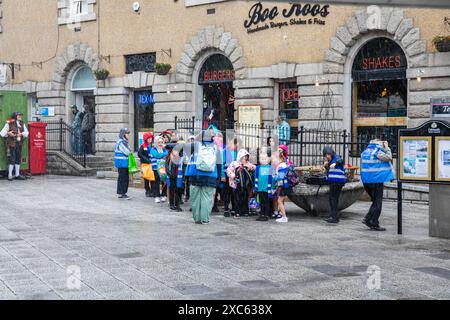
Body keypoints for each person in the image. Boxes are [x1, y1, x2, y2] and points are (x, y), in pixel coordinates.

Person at [186, 130, 219, 224]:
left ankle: (197, 218)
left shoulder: (195, 145)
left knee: (195, 198)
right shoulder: (216, 148)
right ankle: (205, 219)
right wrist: (218, 177)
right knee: (207, 198)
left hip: (195, 175)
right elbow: (219, 164)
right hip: (210, 176)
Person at [361, 139, 394, 231]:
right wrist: (387, 147)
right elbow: (389, 157)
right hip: (376, 180)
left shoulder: (365, 152)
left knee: (375, 201)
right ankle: (372, 222)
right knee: (378, 202)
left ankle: (369, 219)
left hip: (366, 181)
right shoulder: (377, 151)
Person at [0, 112, 29, 181]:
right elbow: (1, 133)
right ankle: (10, 175)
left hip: (19, 143)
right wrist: (8, 133)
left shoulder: (22, 123)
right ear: (15, 116)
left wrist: (21, 134)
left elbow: (27, 132)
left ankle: (17, 174)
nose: (20, 116)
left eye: (20, 115)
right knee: (12, 158)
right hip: (12, 143)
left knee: (18, 158)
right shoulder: (9, 123)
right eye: (19, 115)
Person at [323, 147, 347, 224]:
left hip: (337, 181)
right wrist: (326, 166)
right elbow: (330, 170)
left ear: (331, 153)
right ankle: (333, 215)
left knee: (333, 199)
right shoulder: (330, 161)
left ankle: (334, 217)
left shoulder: (336, 157)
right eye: (326, 155)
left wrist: (335, 163)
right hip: (333, 181)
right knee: (332, 199)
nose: (327, 156)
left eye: (328, 154)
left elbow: (340, 161)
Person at [273, 145, 292, 223]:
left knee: (279, 201)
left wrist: (274, 176)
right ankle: (283, 216)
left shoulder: (281, 165)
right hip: (285, 185)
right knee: (280, 200)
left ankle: (284, 217)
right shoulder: (286, 164)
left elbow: (280, 177)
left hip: (283, 186)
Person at [234, 149, 256, 217]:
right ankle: (238, 211)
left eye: (246, 157)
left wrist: (252, 168)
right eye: (243, 157)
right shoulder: (236, 164)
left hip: (248, 185)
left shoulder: (248, 164)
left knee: (248, 197)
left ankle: (247, 210)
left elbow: (254, 167)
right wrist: (233, 175)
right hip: (238, 184)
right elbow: (230, 170)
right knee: (238, 198)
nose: (245, 159)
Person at [254, 151, 273, 221]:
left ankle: (266, 215)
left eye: (265, 159)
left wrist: (272, 188)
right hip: (260, 188)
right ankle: (262, 214)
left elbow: (272, 179)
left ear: (268, 159)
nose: (263, 160)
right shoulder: (258, 168)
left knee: (267, 202)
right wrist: (255, 187)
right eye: (261, 158)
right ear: (259, 160)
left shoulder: (270, 168)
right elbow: (256, 178)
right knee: (261, 202)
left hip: (267, 189)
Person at [222, 137, 238, 217]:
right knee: (226, 192)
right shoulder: (224, 151)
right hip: (226, 174)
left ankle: (234, 208)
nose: (232, 145)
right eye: (230, 143)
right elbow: (221, 164)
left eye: (233, 144)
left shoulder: (237, 153)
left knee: (233, 192)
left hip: (234, 175)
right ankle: (226, 208)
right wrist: (222, 175)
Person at [114, 128, 132, 199]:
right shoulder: (121, 142)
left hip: (123, 163)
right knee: (123, 178)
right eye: (127, 133)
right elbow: (127, 152)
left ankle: (121, 192)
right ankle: (122, 193)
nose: (128, 135)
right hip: (122, 163)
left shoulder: (123, 142)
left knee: (123, 178)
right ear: (123, 134)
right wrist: (130, 151)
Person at [166, 145, 184, 212]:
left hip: (179, 177)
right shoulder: (169, 157)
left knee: (178, 190)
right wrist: (169, 174)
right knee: (172, 190)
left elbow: (183, 166)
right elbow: (166, 166)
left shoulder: (181, 157)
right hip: (172, 176)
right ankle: (171, 204)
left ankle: (177, 204)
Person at [150, 136, 168, 203]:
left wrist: (163, 154)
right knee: (156, 182)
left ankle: (164, 195)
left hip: (163, 168)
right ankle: (157, 196)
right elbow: (157, 155)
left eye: (161, 142)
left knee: (164, 181)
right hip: (155, 168)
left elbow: (166, 155)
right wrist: (164, 154)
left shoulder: (163, 149)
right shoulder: (153, 149)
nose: (160, 144)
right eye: (159, 142)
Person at [138, 131, 154, 197]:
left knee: (152, 178)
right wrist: (147, 160)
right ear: (146, 139)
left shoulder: (152, 146)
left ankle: (153, 191)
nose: (150, 140)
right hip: (145, 164)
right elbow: (140, 154)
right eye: (149, 138)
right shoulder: (142, 146)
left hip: (151, 164)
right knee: (146, 178)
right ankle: (147, 191)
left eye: (151, 138)